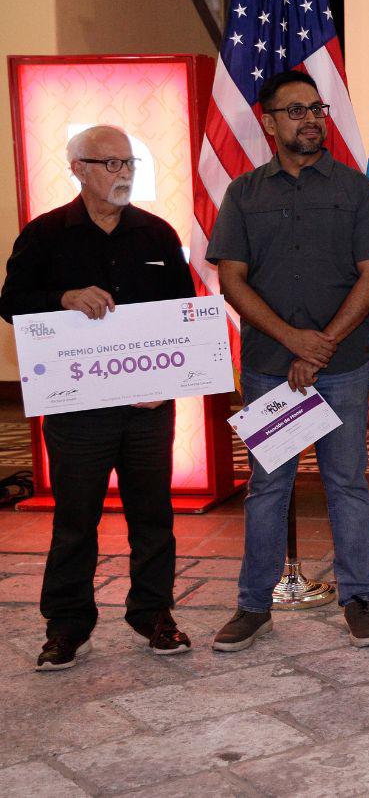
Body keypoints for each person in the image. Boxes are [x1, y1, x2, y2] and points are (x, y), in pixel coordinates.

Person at [206, 71, 369, 652]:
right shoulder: (244, 194)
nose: (311, 119)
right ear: (268, 123)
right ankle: (253, 606)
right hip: (270, 367)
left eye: (316, 109)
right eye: (295, 111)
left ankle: (358, 598)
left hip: (342, 367)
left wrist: (321, 345)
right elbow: (232, 281)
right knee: (269, 487)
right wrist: (294, 341)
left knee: (347, 483)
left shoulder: (354, 189)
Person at [0, 125, 195, 670]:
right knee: (75, 519)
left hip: (147, 409)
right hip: (77, 411)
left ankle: (154, 614)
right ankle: (66, 626)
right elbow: (11, 302)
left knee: (153, 515)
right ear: (78, 169)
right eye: (110, 164)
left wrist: (170, 384)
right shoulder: (44, 235)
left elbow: (185, 314)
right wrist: (61, 297)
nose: (124, 173)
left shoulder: (157, 235)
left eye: (129, 163)